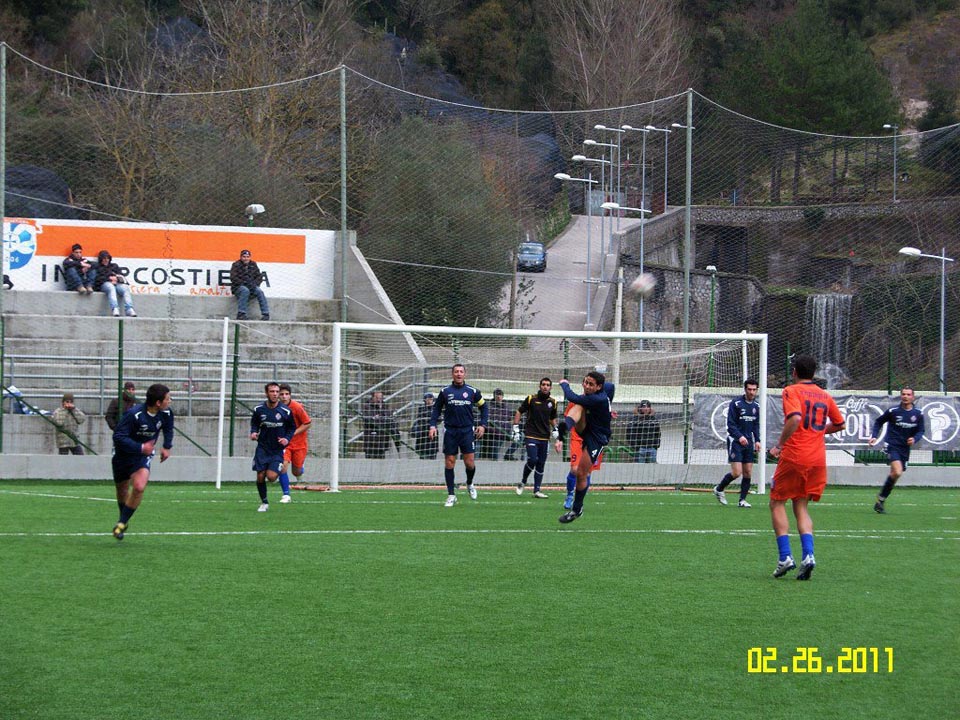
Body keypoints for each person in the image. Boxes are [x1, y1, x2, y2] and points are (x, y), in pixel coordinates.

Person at [768, 355, 845, 580]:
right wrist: (819, 431)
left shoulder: (791, 391)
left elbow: (794, 418)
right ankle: (809, 555)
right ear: (814, 374)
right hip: (817, 459)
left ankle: (785, 557)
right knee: (801, 505)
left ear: (794, 372)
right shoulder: (824, 395)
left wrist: (779, 445)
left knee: (776, 502)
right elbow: (840, 424)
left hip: (795, 455)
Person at [110, 383, 174, 540]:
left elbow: (168, 428)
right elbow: (118, 437)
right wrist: (140, 447)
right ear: (158, 402)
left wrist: (166, 446)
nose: (170, 401)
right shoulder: (133, 414)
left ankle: (122, 523)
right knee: (122, 490)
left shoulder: (166, 413)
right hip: (123, 456)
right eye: (167, 398)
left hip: (142, 456)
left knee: (139, 487)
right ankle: (123, 517)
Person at [556, 371, 613, 523]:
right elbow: (611, 386)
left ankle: (577, 509)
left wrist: (564, 384)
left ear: (599, 387)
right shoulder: (602, 391)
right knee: (579, 405)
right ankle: (564, 430)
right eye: (585, 382)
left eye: (591, 384)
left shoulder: (598, 398)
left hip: (597, 438)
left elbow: (571, 396)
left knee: (581, 472)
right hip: (585, 429)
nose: (586, 386)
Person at [429, 363, 488, 506]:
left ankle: (469, 483)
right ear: (452, 374)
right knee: (449, 462)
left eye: (461, 371)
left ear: (465, 374)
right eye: (456, 371)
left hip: (467, 430)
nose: (459, 374)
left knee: (469, 462)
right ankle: (451, 495)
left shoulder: (473, 391)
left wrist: (482, 425)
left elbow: (484, 407)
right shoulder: (445, 391)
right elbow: (436, 410)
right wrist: (432, 426)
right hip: (450, 431)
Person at [868, 387, 925, 514]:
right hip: (892, 445)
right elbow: (878, 422)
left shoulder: (918, 414)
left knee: (895, 474)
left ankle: (881, 500)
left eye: (908, 394)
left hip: (905, 449)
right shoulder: (893, 411)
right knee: (897, 472)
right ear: (901, 396)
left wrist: (914, 438)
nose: (905, 396)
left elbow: (921, 430)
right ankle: (881, 500)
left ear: (913, 397)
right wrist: (874, 436)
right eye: (903, 394)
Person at [713, 379, 761, 508]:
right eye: (749, 389)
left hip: (749, 442)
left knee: (748, 472)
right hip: (735, 441)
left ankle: (742, 500)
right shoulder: (736, 403)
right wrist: (739, 437)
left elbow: (756, 425)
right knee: (736, 473)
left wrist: (757, 440)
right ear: (745, 389)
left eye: (754, 389)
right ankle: (719, 489)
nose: (752, 392)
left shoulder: (756, 406)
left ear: (757, 390)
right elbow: (730, 424)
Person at [250, 382, 296, 512]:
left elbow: (292, 427)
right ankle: (264, 503)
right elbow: (254, 423)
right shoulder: (258, 409)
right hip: (263, 447)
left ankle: (279, 467)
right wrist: (253, 432)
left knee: (271, 477)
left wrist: (287, 439)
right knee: (260, 476)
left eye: (277, 391)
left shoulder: (285, 411)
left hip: (277, 450)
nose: (275, 394)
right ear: (267, 393)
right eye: (272, 391)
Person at [512, 378, 558, 498]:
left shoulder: (553, 402)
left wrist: (555, 428)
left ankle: (537, 490)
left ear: (551, 388)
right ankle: (523, 481)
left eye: (548, 385)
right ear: (539, 386)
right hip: (531, 435)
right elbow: (519, 411)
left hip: (545, 437)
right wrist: (515, 428)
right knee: (532, 459)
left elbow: (552, 418)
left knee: (541, 463)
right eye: (543, 384)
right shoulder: (531, 399)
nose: (545, 387)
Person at [277, 383, 312, 503]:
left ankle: (300, 469)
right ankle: (286, 495)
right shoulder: (275, 408)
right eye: (281, 394)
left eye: (286, 394)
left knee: (296, 471)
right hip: (284, 444)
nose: (284, 396)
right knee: (282, 466)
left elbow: (307, 423)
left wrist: (293, 433)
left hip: (299, 444)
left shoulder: (296, 407)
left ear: (290, 395)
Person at [92, 250, 136, 317]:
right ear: (101, 259)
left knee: (125, 288)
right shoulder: (97, 267)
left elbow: (121, 276)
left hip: (117, 283)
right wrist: (109, 279)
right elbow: (98, 279)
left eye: (107, 258)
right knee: (110, 287)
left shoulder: (114, 266)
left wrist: (116, 279)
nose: (106, 260)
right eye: (104, 258)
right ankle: (115, 308)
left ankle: (129, 309)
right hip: (105, 284)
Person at [230, 249, 270, 321]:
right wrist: (244, 283)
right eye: (244, 256)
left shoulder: (253, 264)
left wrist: (254, 284)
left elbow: (259, 277)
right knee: (245, 290)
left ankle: (265, 314)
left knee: (259, 291)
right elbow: (233, 278)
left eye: (247, 257)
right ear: (241, 257)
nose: (246, 258)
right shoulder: (236, 265)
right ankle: (241, 314)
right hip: (238, 287)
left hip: (252, 286)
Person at [362, 390, 401, 459]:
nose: (379, 400)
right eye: (377, 398)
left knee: (381, 459)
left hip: (382, 439)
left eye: (381, 398)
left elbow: (388, 419)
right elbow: (369, 420)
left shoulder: (385, 406)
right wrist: (379, 418)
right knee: (370, 460)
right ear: (373, 397)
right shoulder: (367, 406)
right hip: (371, 439)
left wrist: (379, 418)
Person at [480, 388, 512, 460]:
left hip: (503, 432)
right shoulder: (489, 407)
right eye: (497, 395)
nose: (498, 397)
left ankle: (507, 455)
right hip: (492, 433)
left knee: (519, 437)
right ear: (494, 396)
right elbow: (488, 420)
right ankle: (493, 458)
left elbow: (509, 421)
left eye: (500, 395)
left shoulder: (506, 408)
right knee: (494, 446)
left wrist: (506, 429)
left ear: (502, 396)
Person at [411, 393, 439, 459]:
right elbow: (420, 418)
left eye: (431, 399)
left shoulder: (436, 408)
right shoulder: (421, 408)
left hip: (432, 431)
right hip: (423, 432)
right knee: (422, 453)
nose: (429, 401)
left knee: (432, 452)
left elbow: (438, 418)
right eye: (427, 399)